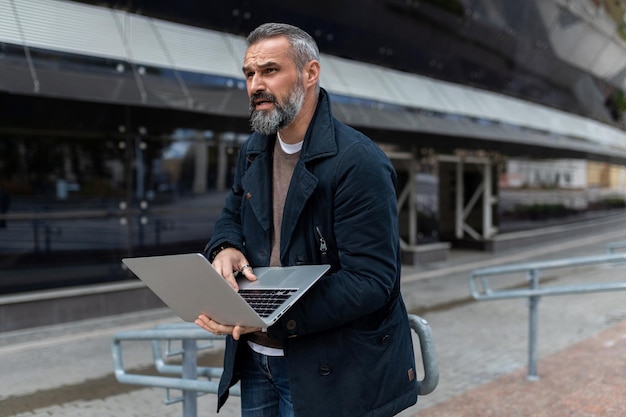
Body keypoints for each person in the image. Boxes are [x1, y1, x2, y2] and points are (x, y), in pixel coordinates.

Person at [195, 22, 418, 417]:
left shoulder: (358, 163)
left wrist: (271, 313)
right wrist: (225, 247)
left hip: (329, 369)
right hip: (255, 358)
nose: (255, 85)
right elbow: (232, 213)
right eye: (249, 73)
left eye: (269, 70)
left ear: (310, 73)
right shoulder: (254, 149)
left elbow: (371, 281)